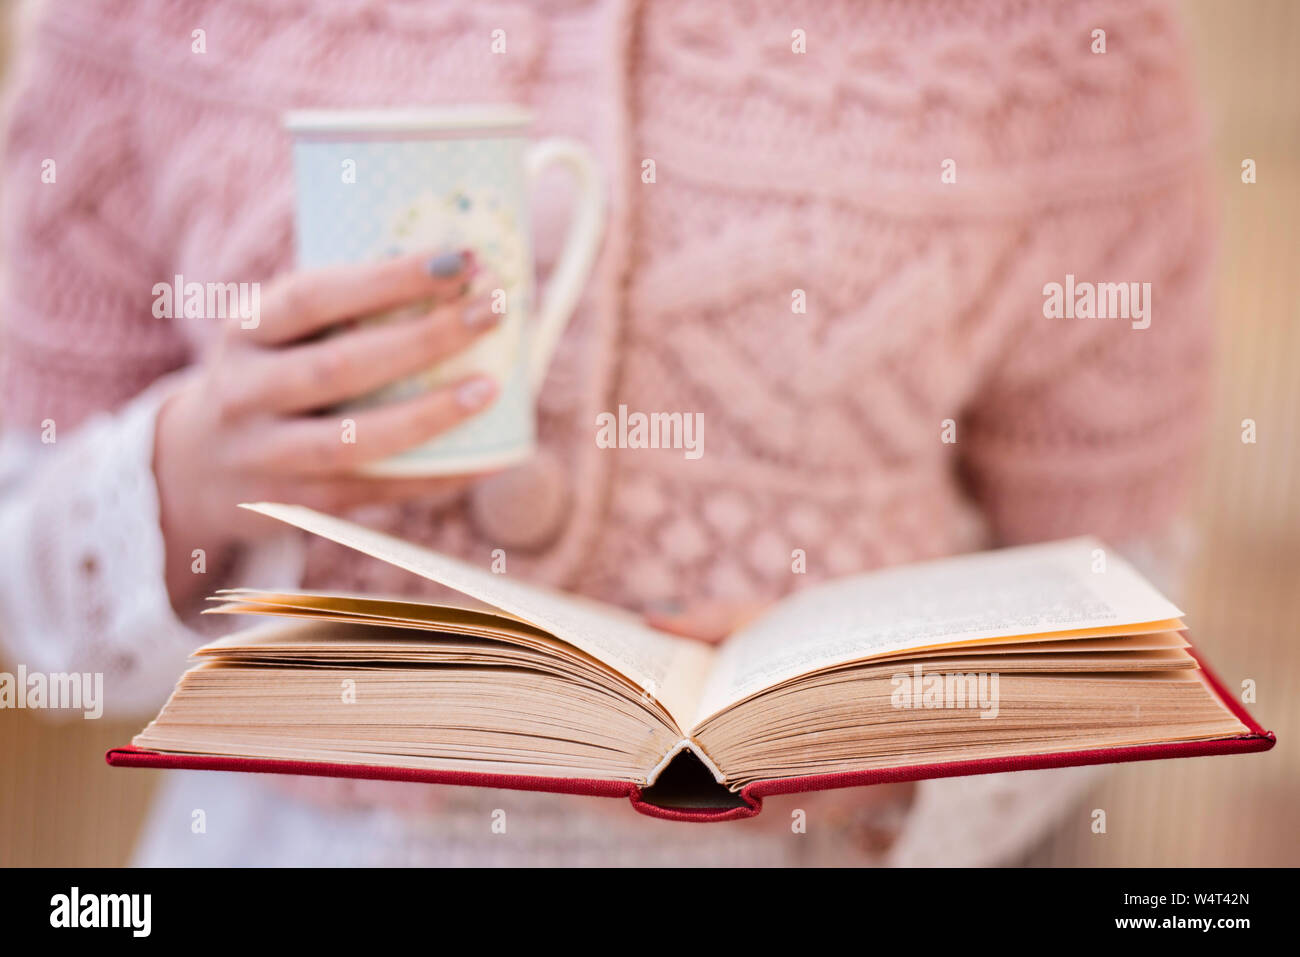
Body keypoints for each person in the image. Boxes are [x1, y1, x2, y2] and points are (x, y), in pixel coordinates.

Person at [0, 0, 1214, 866]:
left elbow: (1125, 603)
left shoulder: (1066, 39)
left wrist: (889, 731)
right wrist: (184, 476)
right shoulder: (139, 21)